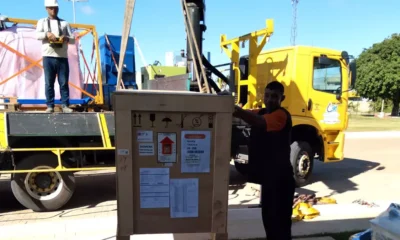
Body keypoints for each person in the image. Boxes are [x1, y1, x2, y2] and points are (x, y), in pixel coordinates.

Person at [232, 81, 295, 240]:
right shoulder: (261, 112)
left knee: (280, 227)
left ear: (282, 98)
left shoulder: (281, 115)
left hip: (281, 181)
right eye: (267, 95)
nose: (270, 99)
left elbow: (259, 121)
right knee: (269, 222)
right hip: (269, 179)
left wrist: (236, 111)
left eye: (275, 96)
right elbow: (250, 115)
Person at [36, 0, 74, 113]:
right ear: (46, 8)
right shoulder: (41, 22)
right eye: (51, 8)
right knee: (49, 82)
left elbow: (72, 39)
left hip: (62, 57)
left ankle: (65, 105)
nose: (54, 10)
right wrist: (47, 35)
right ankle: (50, 105)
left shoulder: (65, 23)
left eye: (55, 8)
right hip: (48, 56)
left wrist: (65, 38)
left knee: (63, 82)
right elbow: (37, 35)